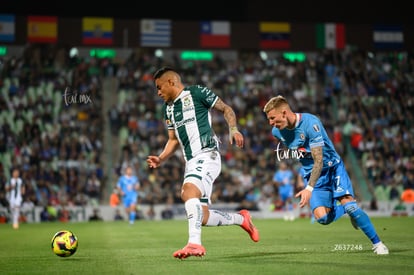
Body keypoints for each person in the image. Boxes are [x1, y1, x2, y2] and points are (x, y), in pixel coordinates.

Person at [147, 66, 259, 259]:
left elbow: (226, 109)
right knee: (203, 216)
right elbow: (173, 139)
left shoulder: (196, 93)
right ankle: (242, 219)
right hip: (191, 161)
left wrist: (233, 129)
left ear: (171, 82)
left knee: (188, 191)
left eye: (159, 87)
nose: (158, 93)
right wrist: (161, 157)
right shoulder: (168, 109)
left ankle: (194, 244)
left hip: (207, 154)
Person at [263, 95, 389, 255]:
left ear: (285, 112)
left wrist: (309, 188)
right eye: (269, 119)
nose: (271, 123)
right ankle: (348, 210)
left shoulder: (310, 123)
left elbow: (319, 160)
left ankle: (378, 244)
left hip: (332, 168)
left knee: (349, 204)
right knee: (322, 218)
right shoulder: (277, 132)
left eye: (273, 118)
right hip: (312, 175)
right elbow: (301, 153)